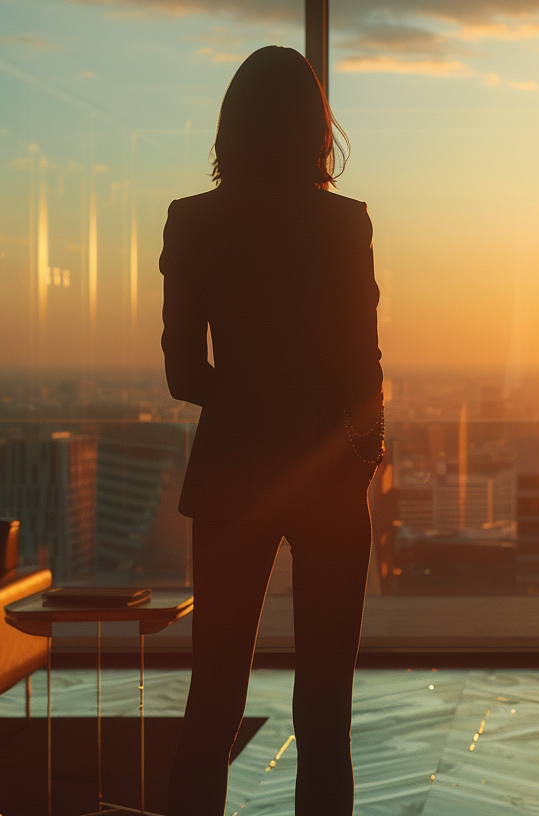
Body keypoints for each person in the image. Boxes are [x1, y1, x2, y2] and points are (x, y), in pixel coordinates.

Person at [162, 45, 383, 816]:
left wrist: (248, 401)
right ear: (316, 130)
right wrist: (361, 458)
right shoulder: (342, 224)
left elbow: (184, 374)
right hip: (328, 474)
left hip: (229, 475)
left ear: (232, 128)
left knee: (212, 704)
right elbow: (365, 370)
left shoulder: (193, 222)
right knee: (325, 716)